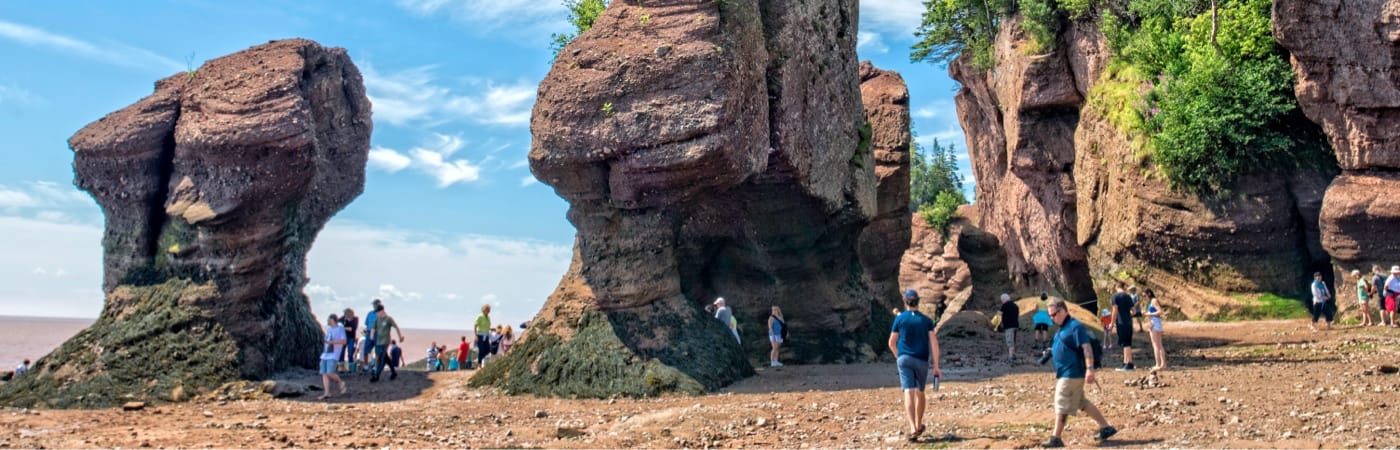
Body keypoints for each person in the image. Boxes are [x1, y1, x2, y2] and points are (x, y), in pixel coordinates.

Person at [1043, 297, 1117, 447]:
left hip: (1071, 373)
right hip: (1067, 372)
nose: (1051, 318)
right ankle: (1106, 427)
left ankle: (1055, 438)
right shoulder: (1063, 328)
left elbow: (1086, 347)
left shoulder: (1075, 326)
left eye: (1054, 314)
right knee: (1082, 402)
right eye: (1049, 315)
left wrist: (1090, 369)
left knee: (1061, 401)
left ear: (1063, 311)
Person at [888, 289, 941, 441]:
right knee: (920, 392)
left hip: (904, 358)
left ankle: (912, 428)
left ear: (906, 301)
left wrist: (899, 356)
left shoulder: (900, 319)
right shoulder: (926, 321)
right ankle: (918, 424)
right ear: (918, 301)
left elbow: (891, 342)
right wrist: (936, 366)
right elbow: (934, 343)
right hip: (922, 360)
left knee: (908, 392)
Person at [370, 302, 405, 382]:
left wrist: (400, 336)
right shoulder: (377, 319)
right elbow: (373, 328)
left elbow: (396, 327)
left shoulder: (388, 319)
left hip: (385, 341)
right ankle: (393, 372)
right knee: (386, 358)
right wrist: (371, 336)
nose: (377, 314)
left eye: (378, 312)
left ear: (382, 311)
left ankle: (376, 375)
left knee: (381, 358)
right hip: (378, 341)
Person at [319, 314, 348, 400]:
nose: (328, 321)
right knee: (324, 373)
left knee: (329, 372)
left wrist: (333, 342)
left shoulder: (340, 328)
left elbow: (344, 341)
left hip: (334, 354)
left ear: (333, 320)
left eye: (329, 320)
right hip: (325, 354)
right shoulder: (329, 329)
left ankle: (340, 382)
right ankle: (327, 392)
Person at [1109, 284, 1135, 371]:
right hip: (1129, 322)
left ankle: (1129, 363)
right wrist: (1127, 315)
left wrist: (1112, 323)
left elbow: (1115, 310)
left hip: (1121, 322)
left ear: (1116, 287)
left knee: (1125, 343)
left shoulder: (1115, 297)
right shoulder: (1128, 296)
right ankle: (1125, 362)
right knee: (1126, 342)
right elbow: (1133, 311)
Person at [1143, 289, 1167, 373]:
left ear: (1149, 294)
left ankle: (1158, 364)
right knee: (1159, 345)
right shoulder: (1153, 301)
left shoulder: (1153, 301)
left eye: (1145, 295)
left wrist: (1149, 314)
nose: (1145, 297)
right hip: (1156, 322)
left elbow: (1160, 311)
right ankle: (1163, 364)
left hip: (1154, 322)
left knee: (1156, 345)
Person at [998, 293, 1020, 362]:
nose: (1002, 301)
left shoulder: (1005, 305)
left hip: (1008, 326)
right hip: (1015, 325)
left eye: (1002, 300)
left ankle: (1011, 357)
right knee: (1014, 340)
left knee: (1010, 341)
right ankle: (1014, 354)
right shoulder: (1015, 305)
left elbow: (999, 314)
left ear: (1004, 299)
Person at [362, 299, 381, 369]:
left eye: (375, 304)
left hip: (377, 333)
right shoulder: (370, 313)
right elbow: (367, 323)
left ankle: (375, 366)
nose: (374, 306)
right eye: (374, 304)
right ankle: (366, 366)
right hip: (369, 333)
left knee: (377, 351)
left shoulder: (381, 314)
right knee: (366, 350)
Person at [340, 308, 359, 372]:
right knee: (341, 352)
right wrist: (346, 328)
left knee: (350, 352)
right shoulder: (341, 319)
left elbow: (352, 329)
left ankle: (350, 368)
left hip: (351, 337)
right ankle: (341, 368)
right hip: (343, 338)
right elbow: (338, 327)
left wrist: (343, 328)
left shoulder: (355, 319)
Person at [474, 305, 492, 369]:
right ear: (483, 310)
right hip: (480, 335)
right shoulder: (480, 316)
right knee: (481, 350)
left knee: (488, 349)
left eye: (488, 310)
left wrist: (491, 329)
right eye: (486, 310)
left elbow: (487, 326)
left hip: (486, 335)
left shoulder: (488, 317)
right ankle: (479, 364)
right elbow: (475, 326)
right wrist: (476, 335)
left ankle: (481, 360)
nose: (488, 311)